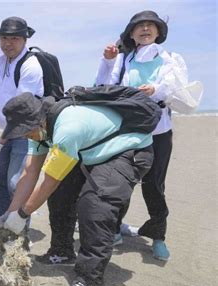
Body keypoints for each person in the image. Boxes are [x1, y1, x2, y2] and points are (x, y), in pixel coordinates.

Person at [0, 92, 155, 286]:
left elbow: (50, 180)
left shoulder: (67, 128)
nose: (24, 136)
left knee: (94, 203)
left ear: (38, 121)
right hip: (91, 151)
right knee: (61, 193)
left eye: (25, 131)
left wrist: (23, 214)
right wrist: (11, 213)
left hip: (128, 150)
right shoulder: (38, 130)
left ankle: (91, 284)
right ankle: (62, 251)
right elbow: (30, 172)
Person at [95, 10, 173, 261]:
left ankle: (158, 236)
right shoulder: (123, 59)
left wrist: (156, 89)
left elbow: (176, 86)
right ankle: (116, 227)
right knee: (122, 181)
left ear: (159, 32)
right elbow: (102, 85)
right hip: (127, 129)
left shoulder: (169, 59)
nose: (146, 29)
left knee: (153, 185)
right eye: (140, 26)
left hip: (159, 131)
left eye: (151, 25)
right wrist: (108, 60)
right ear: (131, 33)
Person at [0, 16, 43, 219]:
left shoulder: (30, 66)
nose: (7, 43)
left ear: (25, 40)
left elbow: (21, 112)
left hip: (27, 132)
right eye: (4, 38)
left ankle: (18, 232)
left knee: (15, 183)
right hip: (6, 131)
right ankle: (2, 224)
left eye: (14, 38)